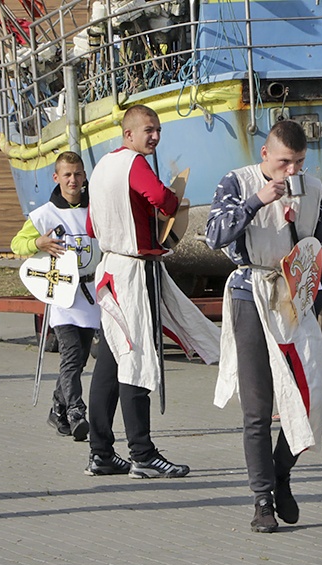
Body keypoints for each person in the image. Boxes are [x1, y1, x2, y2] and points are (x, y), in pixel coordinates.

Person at [206, 120, 322, 533]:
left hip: (297, 296)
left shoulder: (313, 189)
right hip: (252, 292)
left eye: (300, 162)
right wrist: (256, 201)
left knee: (313, 397)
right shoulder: (236, 182)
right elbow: (214, 235)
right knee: (258, 405)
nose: (292, 171)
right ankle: (262, 499)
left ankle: (282, 471)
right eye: (285, 161)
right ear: (265, 154)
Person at [84, 105, 219, 478]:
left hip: (110, 269)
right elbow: (164, 199)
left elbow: (91, 226)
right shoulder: (134, 163)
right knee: (139, 358)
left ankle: (101, 453)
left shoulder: (99, 168)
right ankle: (142, 454)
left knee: (111, 362)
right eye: (149, 130)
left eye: (158, 129)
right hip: (132, 272)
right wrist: (169, 207)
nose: (155, 136)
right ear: (128, 135)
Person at [11, 151, 100, 441]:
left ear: (84, 176)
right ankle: (76, 411)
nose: (73, 180)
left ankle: (57, 408)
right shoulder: (45, 214)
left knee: (82, 357)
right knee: (72, 356)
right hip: (62, 295)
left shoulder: (95, 210)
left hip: (89, 294)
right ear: (56, 177)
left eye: (77, 174)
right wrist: (38, 241)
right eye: (67, 175)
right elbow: (17, 244)